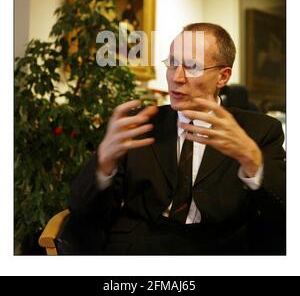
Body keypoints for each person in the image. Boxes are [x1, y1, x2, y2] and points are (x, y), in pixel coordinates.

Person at [69, 23, 285, 255]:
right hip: (140, 251)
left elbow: (283, 214)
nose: (176, 77)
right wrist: (103, 165)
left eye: (191, 66)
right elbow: (84, 212)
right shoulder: (140, 124)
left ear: (223, 77)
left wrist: (254, 162)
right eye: (172, 64)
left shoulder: (259, 130)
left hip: (218, 252)